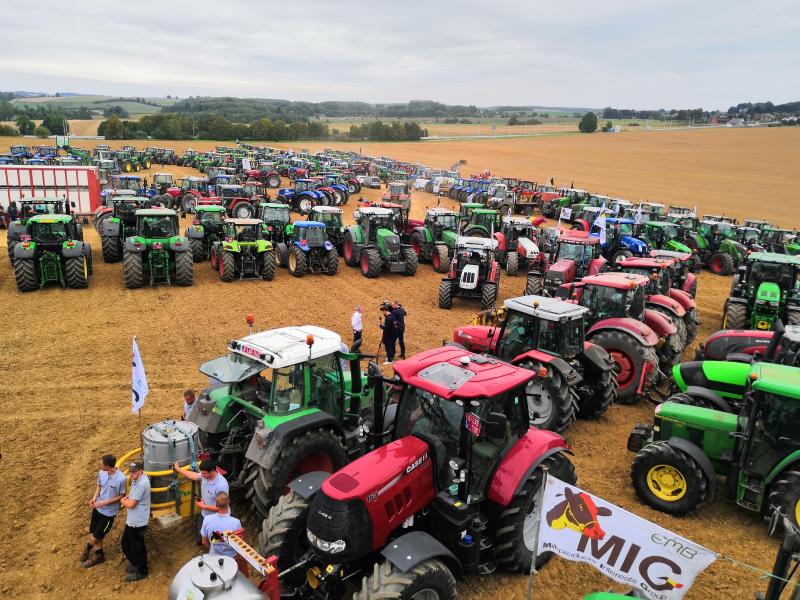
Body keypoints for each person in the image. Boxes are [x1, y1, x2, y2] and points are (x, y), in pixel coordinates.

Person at [80, 454, 127, 568]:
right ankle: (100, 555)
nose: (99, 465)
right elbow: (99, 486)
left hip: (109, 513)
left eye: (101, 464)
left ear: (107, 466)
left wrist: (104, 502)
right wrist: (94, 497)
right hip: (98, 508)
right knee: (96, 533)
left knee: (96, 535)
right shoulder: (102, 473)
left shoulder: (121, 479)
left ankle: (87, 548)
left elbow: (122, 495)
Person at [173, 457, 229, 544]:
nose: (202, 475)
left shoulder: (221, 485)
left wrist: (203, 506)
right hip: (205, 515)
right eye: (201, 473)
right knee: (200, 540)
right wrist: (179, 469)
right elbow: (195, 476)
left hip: (217, 518)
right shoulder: (205, 476)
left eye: (204, 473)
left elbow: (222, 508)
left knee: (215, 542)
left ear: (212, 471)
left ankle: (213, 553)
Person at [120, 461, 150, 582]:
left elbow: (132, 504)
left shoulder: (142, 483)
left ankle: (142, 571)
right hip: (133, 520)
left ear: (140, 470)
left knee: (137, 547)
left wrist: (122, 501)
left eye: (134, 471)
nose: (131, 474)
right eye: (130, 471)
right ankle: (136, 564)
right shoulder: (138, 478)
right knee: (126, 544)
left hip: (138, 522)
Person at [201, 492, 247, 572]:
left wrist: (211, 553)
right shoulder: (235, 523)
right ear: (228, 503)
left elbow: (204, 542)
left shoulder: (207, 519)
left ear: (216, 505)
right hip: (232, 560)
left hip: (214, 559)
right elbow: (240, 543)